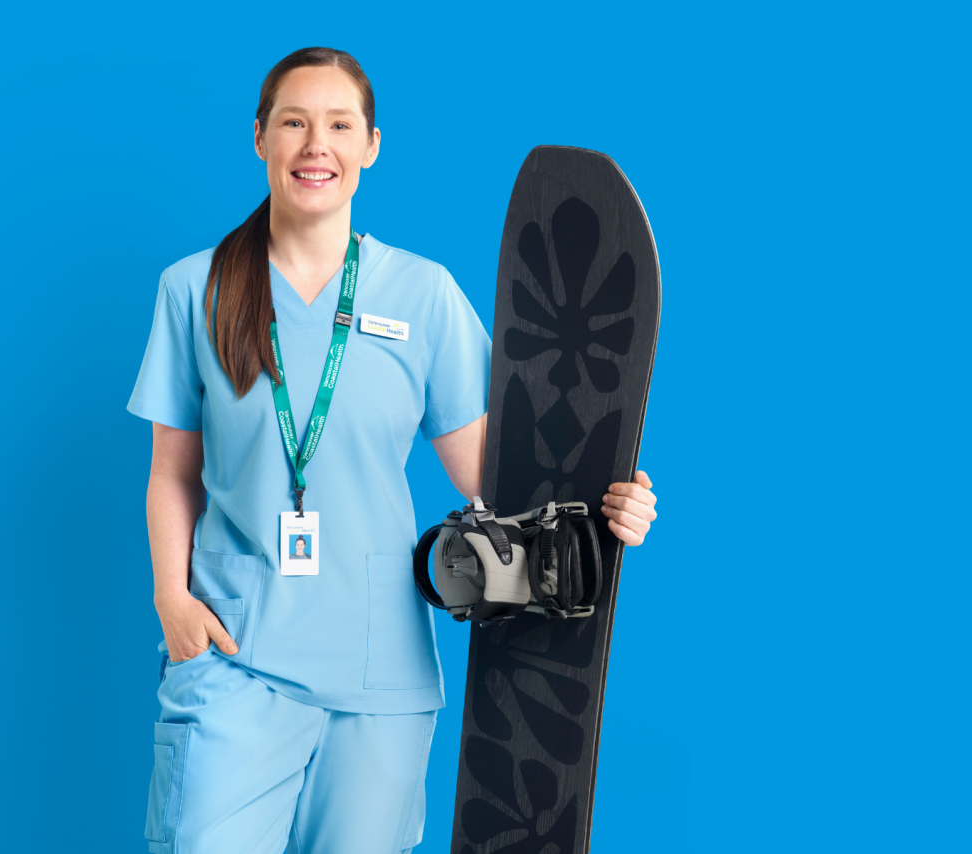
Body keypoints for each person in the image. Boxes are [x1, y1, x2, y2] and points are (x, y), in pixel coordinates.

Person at [127, 47, 658, 854]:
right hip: (236, 658)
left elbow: (496, 483)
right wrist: (174, 602)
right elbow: (172, 475)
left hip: (383, 679)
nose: (318, 145)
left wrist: (605, 513)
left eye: (340, 125)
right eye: (295, 123)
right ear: (262, 137)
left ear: (371, 145)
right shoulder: (193, 289)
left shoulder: (422, 296)